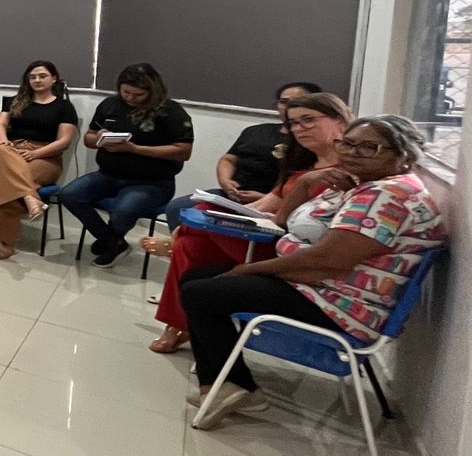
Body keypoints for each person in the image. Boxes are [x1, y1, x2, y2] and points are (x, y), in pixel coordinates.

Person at [180, 117, 446, 428]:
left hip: (339, 302)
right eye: (347, 143)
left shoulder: (388, 196)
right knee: (196, 278)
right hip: (319, 285)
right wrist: (306, 183)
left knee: (201, 292)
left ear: (405, 156)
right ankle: (219, 384)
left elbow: (328, 260)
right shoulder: (357, 183)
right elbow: (284, 222)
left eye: (369, 147)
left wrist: (248, 269)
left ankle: (238, 386)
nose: (353, 152)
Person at [143, 92, 352, 353]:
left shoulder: (349, 169)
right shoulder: (303, 162)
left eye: (308, 120)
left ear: (340, 121)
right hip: (267, 231)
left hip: (287, 251)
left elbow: (304, 223)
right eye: (295, 123)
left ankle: (178, 321)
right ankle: (179, 320)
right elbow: (265, 205)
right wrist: (232, 212)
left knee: (199, 221)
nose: (299, 129)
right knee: (192, 240)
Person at [60, 63, 194, 268]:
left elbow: (183, 151)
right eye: (126, 92)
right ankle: (113, 242)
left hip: (152, 182)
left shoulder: (172, 112)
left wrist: (134, 149)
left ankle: (109, 241)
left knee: (124, 209)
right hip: (108, 174)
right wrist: (99, 140)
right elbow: (88, 138)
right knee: (69, 194)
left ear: (152, 90)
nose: (130, 98)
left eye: (138, 94)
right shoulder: (110, 105)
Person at [162, 80, 323, 232]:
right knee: (178, 208)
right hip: (232, 195)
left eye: (296, 102)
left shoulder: (308, 142)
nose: (288, 108)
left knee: (206, 220)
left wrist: (267, 198)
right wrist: (226, 182)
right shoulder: (256, 131)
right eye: (284, 102)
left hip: (273, 203)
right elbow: (229, 159)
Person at [0, 61, 80, 261]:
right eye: (33, 77)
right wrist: (3, 140)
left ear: (54, 78)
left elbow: (64, 141)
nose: (37, 80)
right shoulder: (16, 100)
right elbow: (0, 124)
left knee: (11, 186)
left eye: (42, 76)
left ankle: (6, 243)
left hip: (46, 156)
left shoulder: (64, 107)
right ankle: (30, 197)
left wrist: (37, 154)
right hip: (13, 151)